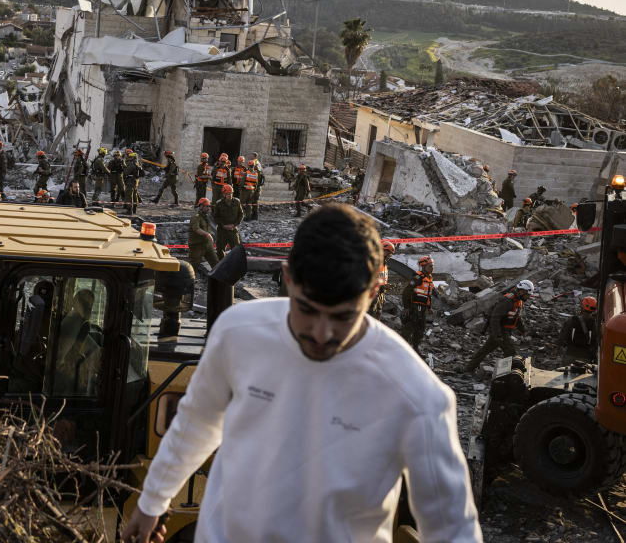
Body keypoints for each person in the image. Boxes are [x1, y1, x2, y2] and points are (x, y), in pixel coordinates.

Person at [122, 204, 481, 543]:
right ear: (288, 278)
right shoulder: (239, 332)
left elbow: (452, 526)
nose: (321, 334)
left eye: (342, 316)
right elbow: (197, 421)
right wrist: (152, 500)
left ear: (373, 292)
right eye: (308, 310)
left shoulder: (417, 395)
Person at [464, 280, 534, 372]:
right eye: (527, 294)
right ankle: (506, 375)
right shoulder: (507, 301)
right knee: (510, 352)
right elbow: (495, 318)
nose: (528, 297)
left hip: (505, 331)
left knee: (485, 351)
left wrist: (523, 331)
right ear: (522, 291)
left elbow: (517, 318)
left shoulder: (518, 301)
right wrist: (498, 334)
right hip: (501, 330)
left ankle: (468, 368)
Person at [400, 256, 435, 351]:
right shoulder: (418, 277)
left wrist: (429, 307)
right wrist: (406, 307)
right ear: (423, 266)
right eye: (430, 266)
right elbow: (406, 292)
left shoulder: (429, 279)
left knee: (420, 328)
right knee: (410, 326)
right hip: (414, 306)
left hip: (423, 308)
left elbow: (427, 294)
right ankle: (400, 347)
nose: (432, 268)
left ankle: (415, 349)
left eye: (433, 266)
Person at [558, 296, 599, 364]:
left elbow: (563, 336)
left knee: (564, 373)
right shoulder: (594, 324)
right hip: (585, 358)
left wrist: (557, 349)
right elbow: (595, 341)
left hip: (570, 354)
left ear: (582, 307)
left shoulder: (572, 320)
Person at [188, 197, 218, 277]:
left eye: (209, 206)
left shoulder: (206, 217)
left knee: (216, 263)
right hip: (197, 246)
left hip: (207, 245)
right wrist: (207, 235)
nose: (208, 208)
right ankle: (189, 283)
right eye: (207, 206)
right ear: (201, 206)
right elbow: (196, 229)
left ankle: (219, 282)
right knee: (194, 266)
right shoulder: (195, 217)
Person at [212, 183, 243, 260]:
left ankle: (234, 264)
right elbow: (216, 217)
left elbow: (241, 214)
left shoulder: (237, 202)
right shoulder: (219, 203)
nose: (230, 195)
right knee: (220, 249)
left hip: (233, 230)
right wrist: (223, 225)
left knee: (236, 249)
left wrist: (234, 225)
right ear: (224, 194)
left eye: (231, 193)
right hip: (222, 230)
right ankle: (221, 264)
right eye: (228, 194)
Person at [368, 241, 396, 318]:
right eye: (389, 253)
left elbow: (381, 281)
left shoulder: (384, 265)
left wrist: (383, 294)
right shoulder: (374, 262)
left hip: (379, 295)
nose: (390, 255)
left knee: (377, 317)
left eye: (391, 254)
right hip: (371, 296)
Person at [124, 150, 142, 215]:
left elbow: (126, 172)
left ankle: (129, 210)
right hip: (135, 180)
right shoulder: (137, 163)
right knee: (134, 195)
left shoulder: (131, 164)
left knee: (129, 195)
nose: (128, 157)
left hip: (130, 181)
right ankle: (134, 208)